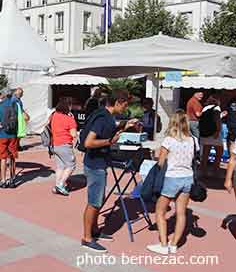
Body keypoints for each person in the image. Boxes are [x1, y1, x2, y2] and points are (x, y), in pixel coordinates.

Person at [81, 92, 134, 253]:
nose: (127, 108)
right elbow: (88, 142)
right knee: (94, 202)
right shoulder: (104, 118)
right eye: (126, 105)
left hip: (97, 163)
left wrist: (124, 126)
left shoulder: (104, 115)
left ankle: (95, 230)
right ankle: (87, 238)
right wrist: (110, 142)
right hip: (95, 165)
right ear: (118, 102)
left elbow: (107, 130)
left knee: (98, 200)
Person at [147, 110, 197, 255]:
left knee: (160, 211)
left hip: (172, 178)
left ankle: (163, 245)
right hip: (188, 177)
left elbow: (161, 162)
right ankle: (174, 244)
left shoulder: (169, 140)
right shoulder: (192, 139)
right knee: (181, 213)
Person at [50, 97, 77, 196]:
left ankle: (57, 184)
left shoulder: (54, 116)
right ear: (68, 106)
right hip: (65, 144)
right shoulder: (69, 119)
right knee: (71, 165)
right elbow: (73, 134)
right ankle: (60, 184)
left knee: (60, 166)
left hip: (55, 144)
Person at [199, 96, 224, 177]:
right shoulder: (217, 108)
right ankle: (215, 171)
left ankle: (203, 171)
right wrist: (218, 130)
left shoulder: (205, 108)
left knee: (206, 153)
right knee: (219, 152)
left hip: (205, 133)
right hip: (214, 133)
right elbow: (217, 119)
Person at [224, 97, 236, 199]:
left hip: (232, 131)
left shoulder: (231, 101)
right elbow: (233, 158)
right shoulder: (231, 100)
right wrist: (228, 179)